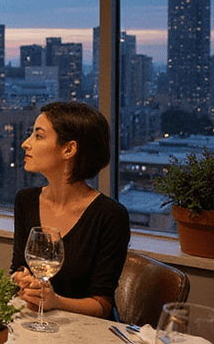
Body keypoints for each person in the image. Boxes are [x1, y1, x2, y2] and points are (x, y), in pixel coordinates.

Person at [11, 101, 130, 320]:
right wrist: (23, 279)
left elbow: (103, 305)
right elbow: (18, 267)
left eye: (38, 136)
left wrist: (55, 301)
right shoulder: (25, 201)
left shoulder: (110, 216)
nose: (25, 144)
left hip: (89, 338)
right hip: (36, 326)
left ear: (69, 149)